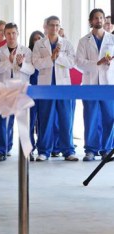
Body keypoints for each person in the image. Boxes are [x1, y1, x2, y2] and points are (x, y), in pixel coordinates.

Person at [32, 15, 77, 162]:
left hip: (63, 86)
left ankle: (68, 150)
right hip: (46, 86)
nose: (55, 28)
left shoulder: (67, 43)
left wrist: (58, 58)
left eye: (57, 25)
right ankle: (44, 151)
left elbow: (71, 62)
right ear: (46, 26)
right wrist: (50, 58)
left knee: (66, 119)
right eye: (52, 25)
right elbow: (36, 63)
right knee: (45, 119)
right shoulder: (39, 44)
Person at [0, 23, 35, 162]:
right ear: (5, 35)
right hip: (3, 89)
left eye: (13, 33)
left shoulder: (26, 51)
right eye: (8, 33)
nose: (11, 36)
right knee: (0, 123)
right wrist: (9, 62)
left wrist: (21, 64)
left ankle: (27, 152)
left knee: (24, 123)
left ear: (18, 33)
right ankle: (0, 151)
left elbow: (31, 70)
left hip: (21, 89)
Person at [76, 8, 114, 161]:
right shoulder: (84, 41)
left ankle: (106, 149)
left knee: (109, 117)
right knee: (90, 116)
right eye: (96, 18)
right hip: (90, 84)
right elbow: (79, 62)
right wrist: (97, 63)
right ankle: (91, 150)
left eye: (101, 18)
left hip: (108, 83)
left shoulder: (112, 39)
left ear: (105, 20)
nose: (99, 20)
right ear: (90, 21)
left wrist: (109, 63)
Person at [28, 30, 45, 161]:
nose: (38, 40)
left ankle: (42, 149)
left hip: (44, 91)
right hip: (31, 91)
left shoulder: (46, 53)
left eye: (40, 38)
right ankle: (29, 149)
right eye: (35, 39)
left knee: (43, 121)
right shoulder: (27, 53)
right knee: (30, 121)